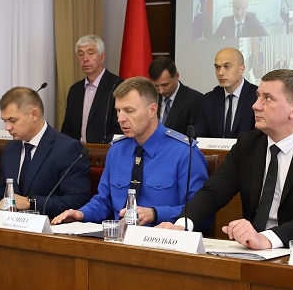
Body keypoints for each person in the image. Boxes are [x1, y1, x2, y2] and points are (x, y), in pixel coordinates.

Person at [158, 70, 293, 249]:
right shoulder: (247, 144)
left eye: (268, 98)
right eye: (258, 96)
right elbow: (213, 192)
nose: (256, 105)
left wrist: (265, 239)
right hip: (250, 250)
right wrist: (182, 225)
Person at [52, 77, 209, 225]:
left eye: (129, 110)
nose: (121, 118)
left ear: (152, 110)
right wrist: (81, 214)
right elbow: (104, 201)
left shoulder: (185, 153)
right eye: (118, 110)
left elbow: (200, 212)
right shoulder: (116, 150)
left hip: (161, 239)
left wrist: (155, 213)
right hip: (119, 238)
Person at [0, 87, 90, 216]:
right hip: (11, 226)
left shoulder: (68, 149)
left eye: (12, 120)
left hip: (49, 227)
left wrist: (30, 203)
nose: (7, 127)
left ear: (34, 114)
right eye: (5, 121)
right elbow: (4, 192)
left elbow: (77, 200)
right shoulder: (11, 149)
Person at [61, 35, 123, 144]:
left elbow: (121, 128)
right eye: (81, 54)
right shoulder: (75, 90)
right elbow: (67, 129)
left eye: (90, 53)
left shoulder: (118, 86)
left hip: (107, 150)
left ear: (102, 57)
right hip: (78, 152)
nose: (85, 59)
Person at [194, 47, 258, 138]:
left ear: (241, 69)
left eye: (227, 66)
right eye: (217, 67)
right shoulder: (209, 99)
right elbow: (199, 136)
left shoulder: (257, 97)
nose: (220, 73)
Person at [147, 56, 202, 135]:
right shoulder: (150, 97)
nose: (160, 91)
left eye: (165, 85)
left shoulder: (195, 99)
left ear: (176, 76)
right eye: (156, 85)